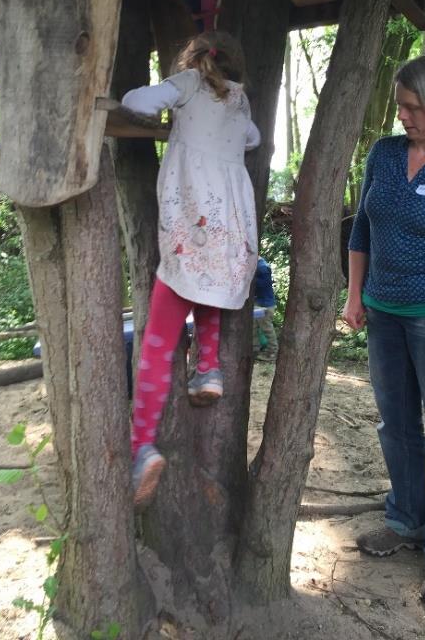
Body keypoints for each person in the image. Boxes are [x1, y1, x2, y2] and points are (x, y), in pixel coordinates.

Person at [342, 55, 425, 606]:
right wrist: (354, 294)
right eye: (399, 104)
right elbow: (363, 226)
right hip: (382, 310)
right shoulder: (385, 153)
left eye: (413, 107)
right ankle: (405, 518)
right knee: (394, 424)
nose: (402, 116)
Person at [122, 31, 260, 508]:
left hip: (188, 232)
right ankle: (207, 367)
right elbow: (254, 138)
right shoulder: (240, 101)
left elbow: (136, 101)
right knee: (211, 285)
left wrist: (170, 104)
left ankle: (142, 446)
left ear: (194, 61)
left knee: (157, 346)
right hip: (229, 236)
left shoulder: (185, 84)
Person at [253, 256, 279, 362]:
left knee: (267, 329)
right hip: (259, 303)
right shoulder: (259, 266)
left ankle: (272, 352)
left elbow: (263, 284)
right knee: (253, 326)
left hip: (265, 305)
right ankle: (254, 349)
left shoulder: (262, 268)